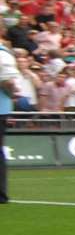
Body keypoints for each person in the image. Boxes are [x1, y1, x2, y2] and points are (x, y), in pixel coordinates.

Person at [0, 47, 32, 204]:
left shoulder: (2, 54)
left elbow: (8, 81)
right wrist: (11, 93)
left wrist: (11, 92)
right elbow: (9, 81)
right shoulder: (4, 54)